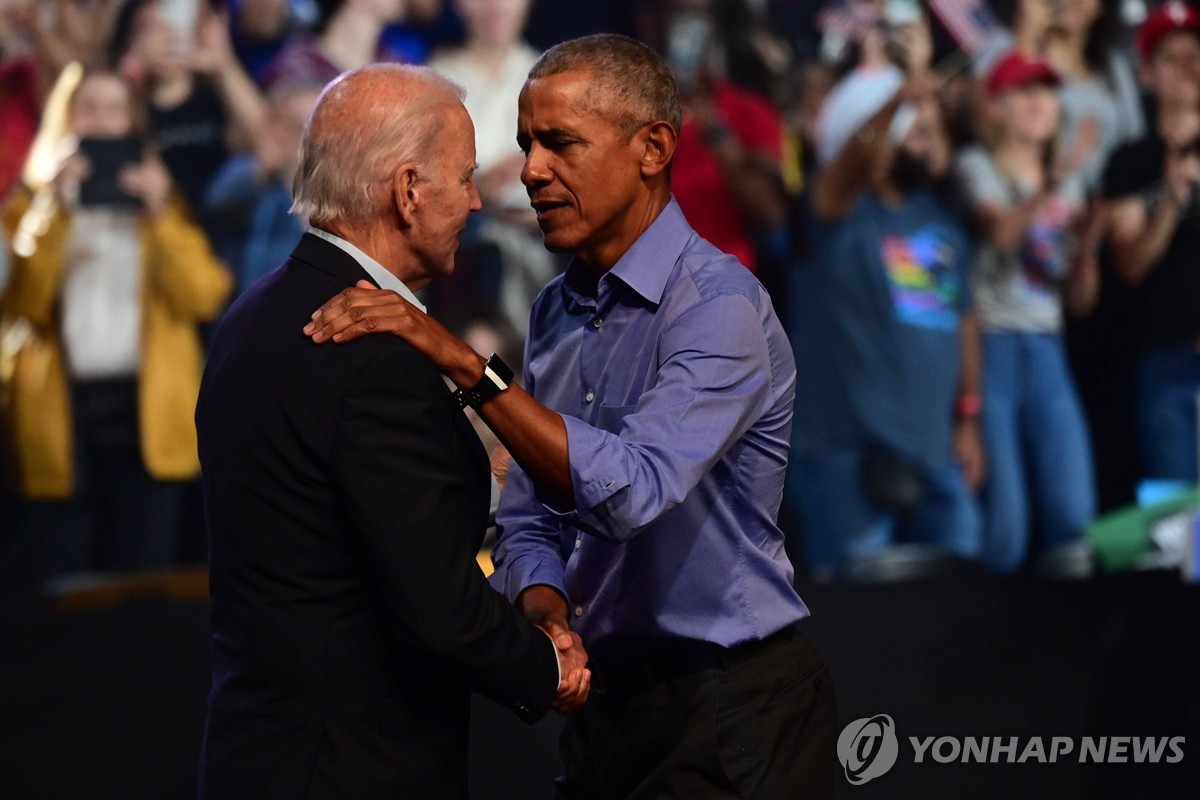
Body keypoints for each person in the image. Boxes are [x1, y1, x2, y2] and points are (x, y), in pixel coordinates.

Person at [306, 34, 837, 799]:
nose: (530, 170)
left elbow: (633, 492)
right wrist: (546, 610)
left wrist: (460, 360)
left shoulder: (721, 308)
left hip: (734, 703)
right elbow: (529, 516)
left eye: (560, 143)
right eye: (525, 144)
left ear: (653, 147)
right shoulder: (556, 309)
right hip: (610, 706)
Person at [195, 64, 587, 800]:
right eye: (464, 178)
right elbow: (435, 601)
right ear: (408, 191)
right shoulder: (371, 353)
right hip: (351, 767)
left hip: (260, 753)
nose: (476, 201)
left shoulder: (253, 318)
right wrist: (547, 666)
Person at [1, 69, 232, 577]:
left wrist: (158, 213)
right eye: (88, 107)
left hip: (147, 411)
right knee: (60, 584)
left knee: (141, 584)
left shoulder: (167, 205)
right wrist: (54, 209)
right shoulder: (30, 207)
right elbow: (25, 302)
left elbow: (204, 296)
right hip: (62, 414)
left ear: (134, 121)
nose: (102, 121)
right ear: (65, 117)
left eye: (115, 108)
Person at [788, 12, 985, 582]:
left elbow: (962, 324)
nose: (927, 132)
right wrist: (898, 94)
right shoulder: (836, 210)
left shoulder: (945, 221)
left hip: (935, 453)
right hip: (844, 453)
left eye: (930, 124)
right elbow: (846, 162)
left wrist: (968, 416)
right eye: (912, 125)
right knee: (862, 627)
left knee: (962, 612)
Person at [956, 50, 1099, 575]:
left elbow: (1078, 300)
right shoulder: (977, 166)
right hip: (993, 348)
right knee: (1006, 530)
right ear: (996, 107)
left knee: (1074, 517)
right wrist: (1056, 181)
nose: (1042, 102)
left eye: (1047, 90)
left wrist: (1086, 251)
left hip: (1048, 348)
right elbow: (1000, 232)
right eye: (1025, 90)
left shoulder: (1070, 184)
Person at [1103, 2, 1200, 483]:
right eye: (1171, 58)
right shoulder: (1130, 162)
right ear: (1146, 75)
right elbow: (1130, 263)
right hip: (1167, 359)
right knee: (1183, 532)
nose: (1189, 66)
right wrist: (1173, 200)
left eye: (1196, 54)